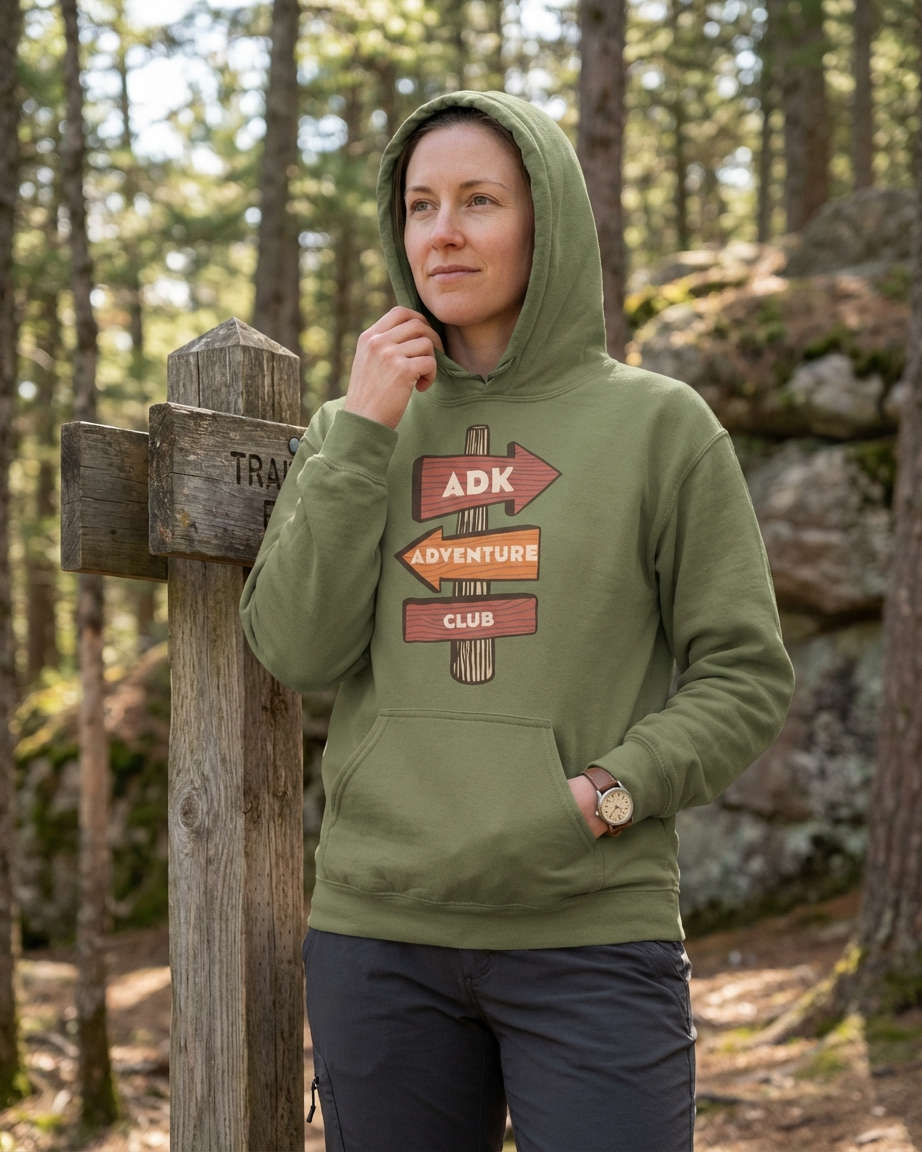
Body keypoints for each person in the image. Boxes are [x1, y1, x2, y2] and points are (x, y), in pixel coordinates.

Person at [240, 91, 794, 1152]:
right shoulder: (356, 426)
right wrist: (360, 432)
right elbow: (296, 649)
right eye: (419, 205)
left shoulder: (657, 427)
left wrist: (607, 791)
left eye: (479, 200)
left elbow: (742, 672)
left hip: (588, 934)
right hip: (380, 936)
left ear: (548, 220)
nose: (441, 231)